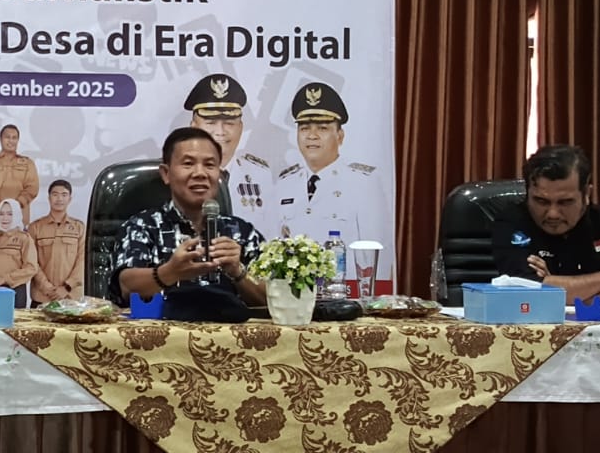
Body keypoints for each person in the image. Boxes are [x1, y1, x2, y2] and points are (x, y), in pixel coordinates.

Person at [111, 127, 267, 322]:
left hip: (231, 336)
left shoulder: (242, 232)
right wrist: (170, 272)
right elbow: (126, 287)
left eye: (209, 165)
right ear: (166, 173)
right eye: (188, 164)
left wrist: (238, 272)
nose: (200, 173)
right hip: (162, 336)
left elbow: (273, 300)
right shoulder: (143, 226)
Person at [490, 144, 600, 309]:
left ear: (586, 194)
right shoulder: (512, 223)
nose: (553, 214)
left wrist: (558, 291)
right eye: (541, 201)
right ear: (527, 194)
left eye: (565, 202)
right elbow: (524, 292)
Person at [273, 81, 393, 285]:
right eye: (304, 128)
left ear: (340, 136)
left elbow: (377, 254)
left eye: (322, 128)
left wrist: (371, 298)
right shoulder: (285, 183)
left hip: (345, 295)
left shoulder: (363, 182)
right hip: (295, 294)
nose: (312, 136)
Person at [184, 72, 278, 240]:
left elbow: (271, 238)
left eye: (229, 123)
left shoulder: (260, 175)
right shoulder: (178, 176)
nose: (220, 132)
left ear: (241, 128)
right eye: (211, 123)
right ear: (193, 127)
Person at [29, 180, 86, 305]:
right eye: (55, 194)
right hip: (42, 297)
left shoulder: (79, 227)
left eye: (64, 195)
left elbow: (83, 261)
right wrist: (48, 288)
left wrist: (66, 287)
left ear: (70, 199)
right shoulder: (35, 227)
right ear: (49, 198)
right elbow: (31, 262)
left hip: (71, 297)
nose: (59, 199)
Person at [0, 124, 38, 237]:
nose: (11, 141)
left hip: (19, 219)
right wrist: (1, 208)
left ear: (18, 140)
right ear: (0, 139)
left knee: (17, 249)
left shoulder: (28, 163)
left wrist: (14, 209)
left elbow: (32, 188)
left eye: (14, 137)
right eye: (7, 137)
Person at [0, 198, 40, 308]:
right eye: (1, 214)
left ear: (17, 214)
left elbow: (31, 268)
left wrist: (5, 279)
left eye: (9, 214)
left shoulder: (24, 238)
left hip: (14, 292)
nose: (5, 218)